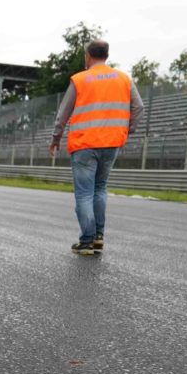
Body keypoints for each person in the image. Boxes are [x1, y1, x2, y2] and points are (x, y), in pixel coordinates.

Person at [49, 40, 144, 256]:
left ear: (88, 56)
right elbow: (139, 107)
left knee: (84, 194)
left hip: (84, 145)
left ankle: (87, 241)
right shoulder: (124, 78)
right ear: (106, 56)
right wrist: (128, 130)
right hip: (111, 143)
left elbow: (63, 114)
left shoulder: (80, 79)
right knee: (100, 189)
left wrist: (55, 139)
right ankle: (99, 237)